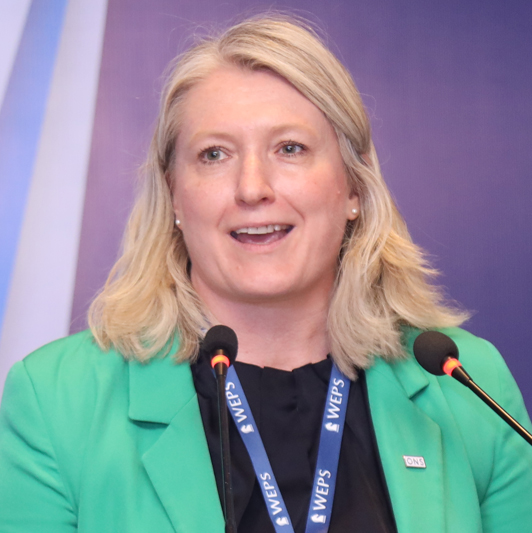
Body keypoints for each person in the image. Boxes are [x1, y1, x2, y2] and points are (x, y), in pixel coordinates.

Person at [1, 14, 531, 533]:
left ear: (354, 186)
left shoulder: (466, 383)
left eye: (290, 148)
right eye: (214, 154)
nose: (252, 187)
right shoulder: (56, 402)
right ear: (174, 195)